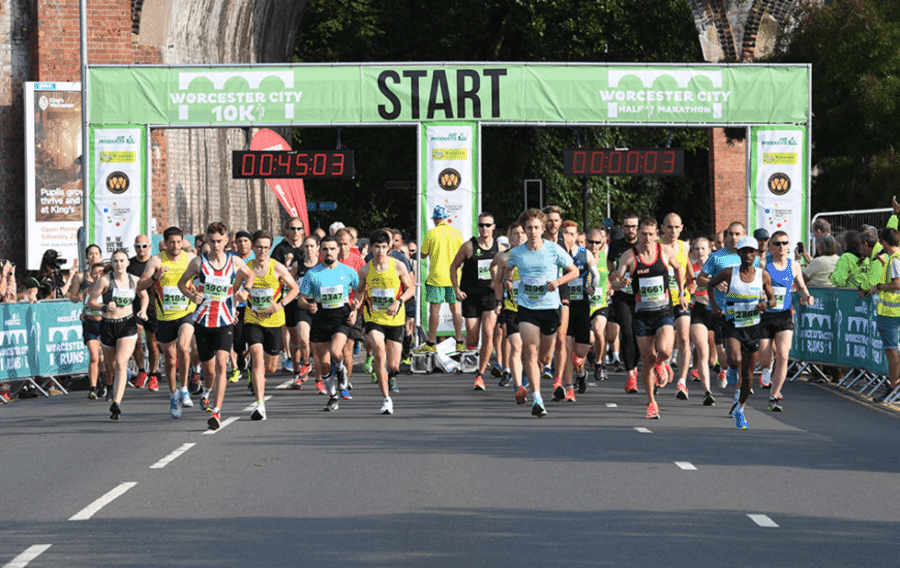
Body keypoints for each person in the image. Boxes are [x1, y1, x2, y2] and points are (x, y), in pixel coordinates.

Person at [177, 222, 254, 430]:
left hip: (226, 320)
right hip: (203, 321)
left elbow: (251, 275)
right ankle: (207, 392)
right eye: (212, 241)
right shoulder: (198, 263)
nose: (216, 245)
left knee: (222, 364)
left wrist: (245, 291)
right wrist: (193, 295)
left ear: (226, 240)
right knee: (209, 370)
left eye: (219, 241)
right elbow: (181, 284)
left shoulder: (234, 261)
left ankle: (217, 411)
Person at [611, 217, 687, 419]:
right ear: (638, 233)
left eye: (651, 234)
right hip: (642, 315)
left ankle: (663, 363)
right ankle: (652, 403)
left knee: (664, 350)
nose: (647, 237)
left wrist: (681, 292)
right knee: (647, 361)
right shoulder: (630, 255)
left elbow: (679, 268)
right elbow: (615, 280)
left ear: (657, 234)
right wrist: (620, 282)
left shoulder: (664, 252)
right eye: (643, 233)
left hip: (663, 312)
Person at [504, 208, 577, 417]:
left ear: (543, 228)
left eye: (537, 227)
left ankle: (543, 369)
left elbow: (575, 271)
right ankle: (537, 399)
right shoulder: (517, 253)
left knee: (545, 357)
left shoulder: (554, 250)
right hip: (527, 308)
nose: (533, 231)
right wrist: (508, 281)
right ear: (524, 230)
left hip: (551, 309)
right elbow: (508, 268)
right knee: (530, 350)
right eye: (529, 228)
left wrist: (557, 281)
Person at [708, 236, 776, 429]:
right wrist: (715, 305)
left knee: (747, 376)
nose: (747, 255)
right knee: (735, 360)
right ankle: (730, 367)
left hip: (753, 327)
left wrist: (766, 304)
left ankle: (740, 408)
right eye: (744, 251)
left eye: (751, 251)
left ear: (756, 254)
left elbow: (773, 300)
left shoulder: (763, 275)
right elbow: (711, 284)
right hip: (732, 324)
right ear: (738, 253)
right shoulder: (730, 272)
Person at [137, 226, 197, 418]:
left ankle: (185, 388)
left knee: (184, 346)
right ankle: (173, 395)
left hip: (186, 312)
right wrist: (156, 277)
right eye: (171, 242)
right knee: (170, 361)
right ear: (165, 243)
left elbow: (198, 281)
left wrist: (196, 292)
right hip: (164, 316)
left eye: (179, 242)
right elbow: (140, 285)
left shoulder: (189, 259)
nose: (175, 246)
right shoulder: (156, 260)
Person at [353, 230, 415, 415]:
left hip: (395, 319)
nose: (380, 250)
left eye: (383, 247)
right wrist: (356, 304)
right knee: (379, 350)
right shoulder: (365, 269)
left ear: (389, 248)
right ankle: (386, 399)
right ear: (371, 248)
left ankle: (391, 376)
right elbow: (360, 290)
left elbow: (410, 288)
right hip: (374, 318)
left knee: (394, 365)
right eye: (376, 247)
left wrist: (398, 301)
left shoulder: (397, 266)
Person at [299, 236, 360, 412]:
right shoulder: (313, 273)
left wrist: (355, 309)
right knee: (324, 363)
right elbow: (301, 299)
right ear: (320, 251)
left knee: (336, 351)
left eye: (332, 249)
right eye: (325, 249)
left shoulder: (347, 271)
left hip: (341, 316)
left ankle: (340, 368)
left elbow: (360, 289)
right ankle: (333, 396)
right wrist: (308, 305)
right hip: (320, 318)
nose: (329, 252)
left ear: (337, 251)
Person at [86, 250, 149, 419]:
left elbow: (144, 296)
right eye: (115, 261)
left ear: (127, 262)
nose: (119, 264)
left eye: (122, 261)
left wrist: (143, 310)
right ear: (112, 264)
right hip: (108, 325)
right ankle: (121, 377)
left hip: (127, 325)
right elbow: (90, 302)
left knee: (121, 362)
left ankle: (116, 403)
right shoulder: (105, 281)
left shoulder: (134, 280)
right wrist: (104, 307)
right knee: (112, 365)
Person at [244, 230, 299, 420]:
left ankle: (257, 370)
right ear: (253, 247)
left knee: (271, 367)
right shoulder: (247, 268)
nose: (262, 251)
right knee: (257, 357)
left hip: (274, 321)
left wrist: (280, 304)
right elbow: (234, 290)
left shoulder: (277, 267)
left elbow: (294, 288)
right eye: (259, 247)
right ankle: (260, 405)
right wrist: (238, 299)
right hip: (252, 319)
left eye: (266, 247)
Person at [757, 230, 814, 410]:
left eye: (784, 243)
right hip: (766, 315)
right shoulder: (764, 264)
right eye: (777, 243)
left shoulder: (795, 266)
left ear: (788, 246)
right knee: (765, 359)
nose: (781, 246)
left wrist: (807, 296)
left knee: (783, 354)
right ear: (771, 247)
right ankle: (767, 368)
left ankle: (774, 396)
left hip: (785, 314)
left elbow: (801, 287)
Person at [449, 212, 506, 390]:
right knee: (473, 339)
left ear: (494, 227)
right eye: (481, 225)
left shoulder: (501, 248)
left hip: (490, 296)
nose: (484, 229)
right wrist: (456, 289)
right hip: (471, 296)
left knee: (489, 333)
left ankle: (480, 375)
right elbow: (453, 266)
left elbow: (507, 270)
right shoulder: (469, 246)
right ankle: (472, 346)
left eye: (488, 225)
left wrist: (502, 283)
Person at [696, 222, 751, 392]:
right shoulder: (717, 256)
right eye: (731, 234)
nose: (734, 238)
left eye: (738, 234)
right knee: (727, 356)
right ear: (726, 236)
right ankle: (727, 368)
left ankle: (742, 387)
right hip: (721, 312)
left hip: (743, 313)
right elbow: (700, 280)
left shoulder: (750, 258)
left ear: (744, 236)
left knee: (742, 354)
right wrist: (714, 282)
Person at [557, 220, 600, 401]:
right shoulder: (557, 253)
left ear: (577, 236)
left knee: (580, 351)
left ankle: (581, 373)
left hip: (581, 304)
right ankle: (568, 386)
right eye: (565, 233)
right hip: (564, 303)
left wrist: (592, 288)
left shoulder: (584, 253)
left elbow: (596, 274)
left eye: (572, 233)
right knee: (566, 346)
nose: (569, 237)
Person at [415, 205, 464, 352]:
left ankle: (431, 343)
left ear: (435, 219)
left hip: (436, 277)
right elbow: (462, 254)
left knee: (434, 311)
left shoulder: (431, 234)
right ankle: (459, 342)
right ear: (447, 218)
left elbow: (423, 254)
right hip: (454, 278)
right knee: (456, 310)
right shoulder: (457, 233)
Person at [660, 213, 695, 400]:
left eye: (676, 227)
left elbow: (688, 271)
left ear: (681, 228)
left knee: (683, 337)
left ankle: (682, 382)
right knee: (664, 340)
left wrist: (691, 286)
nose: (673, 231)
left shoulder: (684, 246)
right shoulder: (657, 246)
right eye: (669, 227)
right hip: (661, 300)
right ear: (663, 228)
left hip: (681, 299)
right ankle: (663, 362)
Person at [491, 222, 526, 399]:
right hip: (511, 308)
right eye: (515, 234)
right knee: (516, 345)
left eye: (522, 233)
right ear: (509, 237)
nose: (519, 236)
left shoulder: (536, 257)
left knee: (532, 350)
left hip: (532, 309)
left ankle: (526, 374)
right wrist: (499, 301)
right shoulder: (504, 258)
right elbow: (497, 280)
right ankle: (518, 385)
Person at [271, 217, 308, 382]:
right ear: (286, 230)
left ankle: (310, 365)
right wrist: (286, 266)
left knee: (308, 337)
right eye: (292, 228)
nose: (295, 232)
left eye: (299, 229)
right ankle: (297, 367)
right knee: (295, 336)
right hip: (289, 296)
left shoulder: (308, 248)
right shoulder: (280, 249)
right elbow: (273, 273)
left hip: (309, 298)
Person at [608, 213, 641, 393]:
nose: (631, 230)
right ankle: (630, 377)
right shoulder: (616, 245)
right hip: (621, 295)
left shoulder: (643, 246)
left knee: (638, 335)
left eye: (634, 226)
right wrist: (613, 275)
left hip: (641, 296)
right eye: (627, 226)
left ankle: (638, 370)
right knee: (627, 332)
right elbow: (610, 263)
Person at [870, 228, 900, 403]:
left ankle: (894, 386)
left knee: (891, 350)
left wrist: (878, 287)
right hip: (893, 311)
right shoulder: (893, 259)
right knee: (892, 349)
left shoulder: (895, 260)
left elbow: (897, 283)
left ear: (885, 243)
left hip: (891, 312)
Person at [127, 235, 161, 391]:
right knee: (136, 338)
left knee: (152, 341)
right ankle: (141, 371)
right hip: (135, 305)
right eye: (138, 246)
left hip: (154, 307)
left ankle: (153, 375)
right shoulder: (129, 264)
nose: (141, 249)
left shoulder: (155, 262)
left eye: (144, 246)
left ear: (149, 247)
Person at [687, 235, 716, 405]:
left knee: (715, 359)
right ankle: (707, 391)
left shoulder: (717, 268)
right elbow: (685, 285)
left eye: (703, 248)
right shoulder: (691, 268)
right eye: (696, 249)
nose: (700, 252)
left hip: (716, 311)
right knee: (702, 351)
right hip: (698, 310)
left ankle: (723, 370)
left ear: (709, 250)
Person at [292, 235, 323, 393]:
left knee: (316, 346)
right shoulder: (298, 265)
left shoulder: (323, 265)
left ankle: (319, 380)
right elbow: (291, 284)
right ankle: (306, 363)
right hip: (303, 305)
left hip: (320, 308)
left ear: (318, 247)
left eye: (312, 246)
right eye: (306, 246)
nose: (309, 249)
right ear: (303, 248)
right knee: (303, 339)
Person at [72, 260, 105, 399]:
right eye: (95, 273)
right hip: (90, 326)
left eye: (100, 273)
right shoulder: (86, 291)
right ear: (91, 275)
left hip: (105, 326)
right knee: (93, 356)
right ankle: (92, 388)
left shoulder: (108, 290)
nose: (97, 276)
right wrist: (83, 313)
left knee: (104, 358)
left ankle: (103, 383)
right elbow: (81, 304)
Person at [585, 226, 611, 383]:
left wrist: (610, 289)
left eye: (597, 242)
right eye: (590, 242)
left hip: (600, 303)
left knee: (599, 332)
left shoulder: (604, 257)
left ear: (602, 243)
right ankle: (590, 351)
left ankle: (599, 363)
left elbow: (609, 276)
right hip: (584, 304)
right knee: (589, 338)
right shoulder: (580, 257)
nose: (593, 245)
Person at [229, 230, 255, 384]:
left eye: (246, 240)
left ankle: (253, 370)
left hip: (253, 305)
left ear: (250, 242)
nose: (242, 244)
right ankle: (241, 355)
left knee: (254, 339)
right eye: (239, 241)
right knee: (237, 341)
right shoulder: (230, 259)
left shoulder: (256, 259)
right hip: (235, 305)